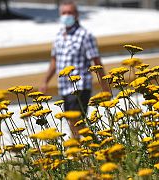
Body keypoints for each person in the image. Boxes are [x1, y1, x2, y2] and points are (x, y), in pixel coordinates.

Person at [40, 0, 108, 137]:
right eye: (64, 13)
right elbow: (54, 60)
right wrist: (45, 81)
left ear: (76, 15)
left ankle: (83, 148)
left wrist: (105, 86)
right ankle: (87, 147)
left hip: (80, 85)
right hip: (64, 86)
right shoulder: (59, 36)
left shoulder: (85, 35)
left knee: (75, 120)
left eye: (70, 13)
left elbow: (96, 60)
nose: (66, 16)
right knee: (73, 121)